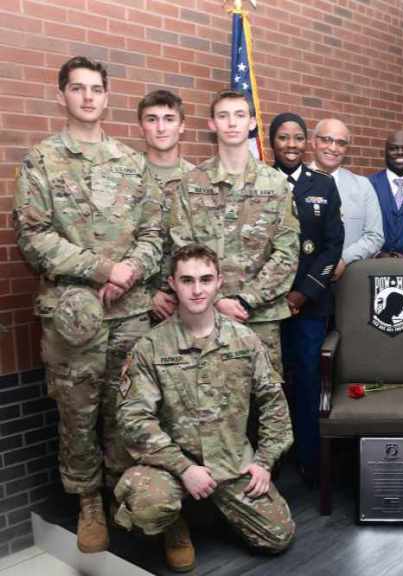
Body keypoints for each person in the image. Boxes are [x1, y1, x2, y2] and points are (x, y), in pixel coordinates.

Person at [13, 56, 162, 553]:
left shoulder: (130, 161)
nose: (88, 96)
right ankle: (88, 503)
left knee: (128, 409)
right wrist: (101, 270)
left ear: (106, 95)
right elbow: (33, 236)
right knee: (78, 414)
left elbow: (153, 232)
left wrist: (129, 272)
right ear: (62, 96)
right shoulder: (42, 160)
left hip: (130, 313)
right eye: (77, 89)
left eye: (96, 88)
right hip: (74, 318)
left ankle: (127, 493)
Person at [115, 244, 295, 572]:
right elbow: (133, 418)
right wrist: (183, 468)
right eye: (187, 280)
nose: (197, 290)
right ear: (172, 283)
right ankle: (175, 524)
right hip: (172, 466)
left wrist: (264, 462)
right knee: (147, 504)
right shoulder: (151, 347)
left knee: (278, 536)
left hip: (231, 461)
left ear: (219, 282)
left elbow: (273, 404)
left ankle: (212, 507)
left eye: (205, 279)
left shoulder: (245, 341)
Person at [163, 90, 299, 374]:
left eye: (239, 115)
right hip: (203, 316)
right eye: (223, 116)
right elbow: (181, 249)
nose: (232, 123)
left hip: (259, 318)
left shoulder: (275, 184)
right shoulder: (191, 183)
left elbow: (287, 253)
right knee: (205, 403)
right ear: (212, 124)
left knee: (262, 403)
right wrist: (218, 300)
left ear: (252, 123)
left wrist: (246, 299)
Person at [269, 112, 344, 483]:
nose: (291, 144)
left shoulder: (324, 185)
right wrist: (272, 295)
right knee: (269, 383)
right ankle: (271, 457)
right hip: (266, 306)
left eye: (298, 137)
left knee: (309, 380)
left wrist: (303, 293)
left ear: (307, 143)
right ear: (272, 142)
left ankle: (309, 457)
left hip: (310, 304)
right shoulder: (260, 182)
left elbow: (333, 246)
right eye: (283, 138)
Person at [136, 89, 195, 323]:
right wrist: (147, 294)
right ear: (142, 126)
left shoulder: (198, 180)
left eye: (169, 119)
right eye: (152, 119)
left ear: (182, 126)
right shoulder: (124, 177)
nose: (161, 128)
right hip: (132, 308)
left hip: (189, 304)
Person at [310, 118, 383, 279]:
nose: (333, 148)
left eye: (341, 143)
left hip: (349, 279)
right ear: (314, 142)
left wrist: (344, 259)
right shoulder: (293, 183)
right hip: (302, 283)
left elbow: (375, 236)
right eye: (327, 140)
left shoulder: (363, 186)